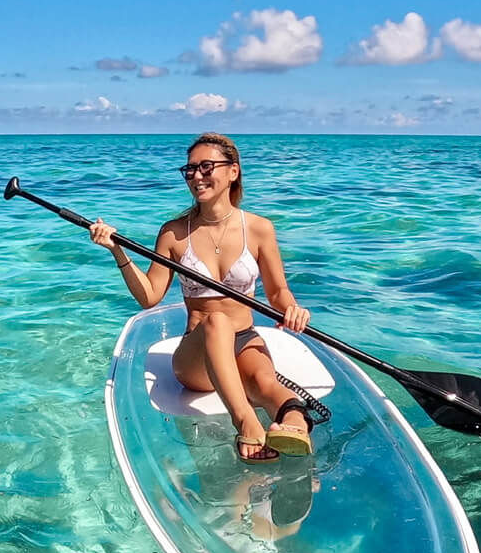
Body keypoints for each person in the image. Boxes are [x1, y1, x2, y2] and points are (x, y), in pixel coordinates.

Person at [89, 133, 314, 462]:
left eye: (206, 167)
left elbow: (278, 291)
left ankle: (296, 422)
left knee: (266, 383)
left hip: (245, 339)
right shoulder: (174, 232)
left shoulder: (259, 229)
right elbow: (150, 296)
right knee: (217, 322)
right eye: (190, 169)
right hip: (196, 354)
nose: (196, 176)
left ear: (232, 171)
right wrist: (117, 250)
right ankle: (247, 423)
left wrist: (291, 308)